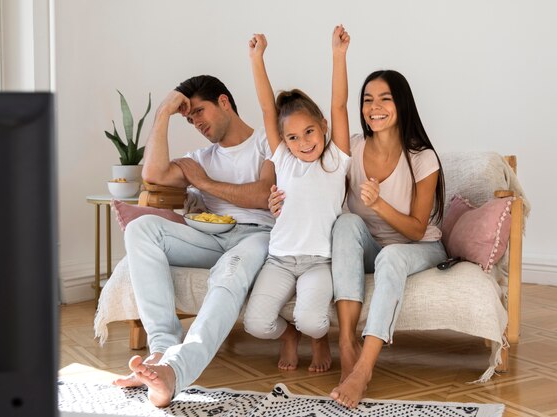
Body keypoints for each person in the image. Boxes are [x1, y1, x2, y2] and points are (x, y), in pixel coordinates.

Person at [270, 70, 447, 408]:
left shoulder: (423, 158)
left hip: (418, 247)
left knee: (392, 256)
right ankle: (347, 346)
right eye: (367, 100)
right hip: (369, 246)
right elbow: (303, 174)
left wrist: (379, 203)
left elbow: (416, 229)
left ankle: (363, 370)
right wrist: (275, 200)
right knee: (347, 222)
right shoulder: (351, 147)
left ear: (402, 103)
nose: (374, 107)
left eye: (384, 99)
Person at [112, 75, 275, 407]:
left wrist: (203, 182)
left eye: (200, 112)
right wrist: (163, 113)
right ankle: (161, 349)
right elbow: (153, 175)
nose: (196, 123)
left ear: (224, 102)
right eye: (189, 118)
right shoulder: (202, 156)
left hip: (258, 236)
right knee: (142, 228)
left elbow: (261, 196)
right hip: (211, 236)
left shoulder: (266, 143)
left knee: (229, 271)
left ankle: (175, 372)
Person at [243, 26, 351, 373]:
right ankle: (289, 335)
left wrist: (337, 55)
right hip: (279, 260)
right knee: (256, 324)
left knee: (316, 323)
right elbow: (265, 107)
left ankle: (317, 339)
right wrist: (257, 59)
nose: (303, 142)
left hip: (319, 261)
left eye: (309, 132)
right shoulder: (284, 159)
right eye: (292, 137)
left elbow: (339, 104)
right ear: (284, 142)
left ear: (322, 126)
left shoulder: (336, 160)